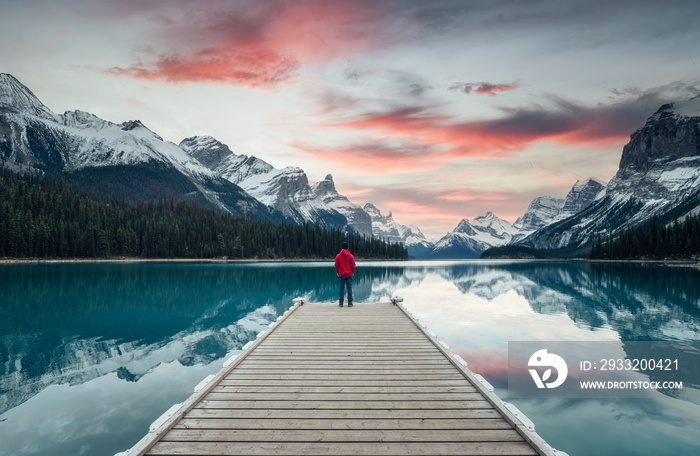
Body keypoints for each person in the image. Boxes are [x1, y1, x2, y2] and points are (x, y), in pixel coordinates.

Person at [335, 241, 355, 307]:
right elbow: (353, 265)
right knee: (349, 288)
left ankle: (341, 303)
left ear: (341, 248)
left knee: (341, 288)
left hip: (341, 274)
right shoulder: (350, 256)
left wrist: (337, 272)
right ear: (348, 248)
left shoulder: (338, 256)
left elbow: (336, 265)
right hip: (349, 274)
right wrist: (353, 272)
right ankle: (350, 303)